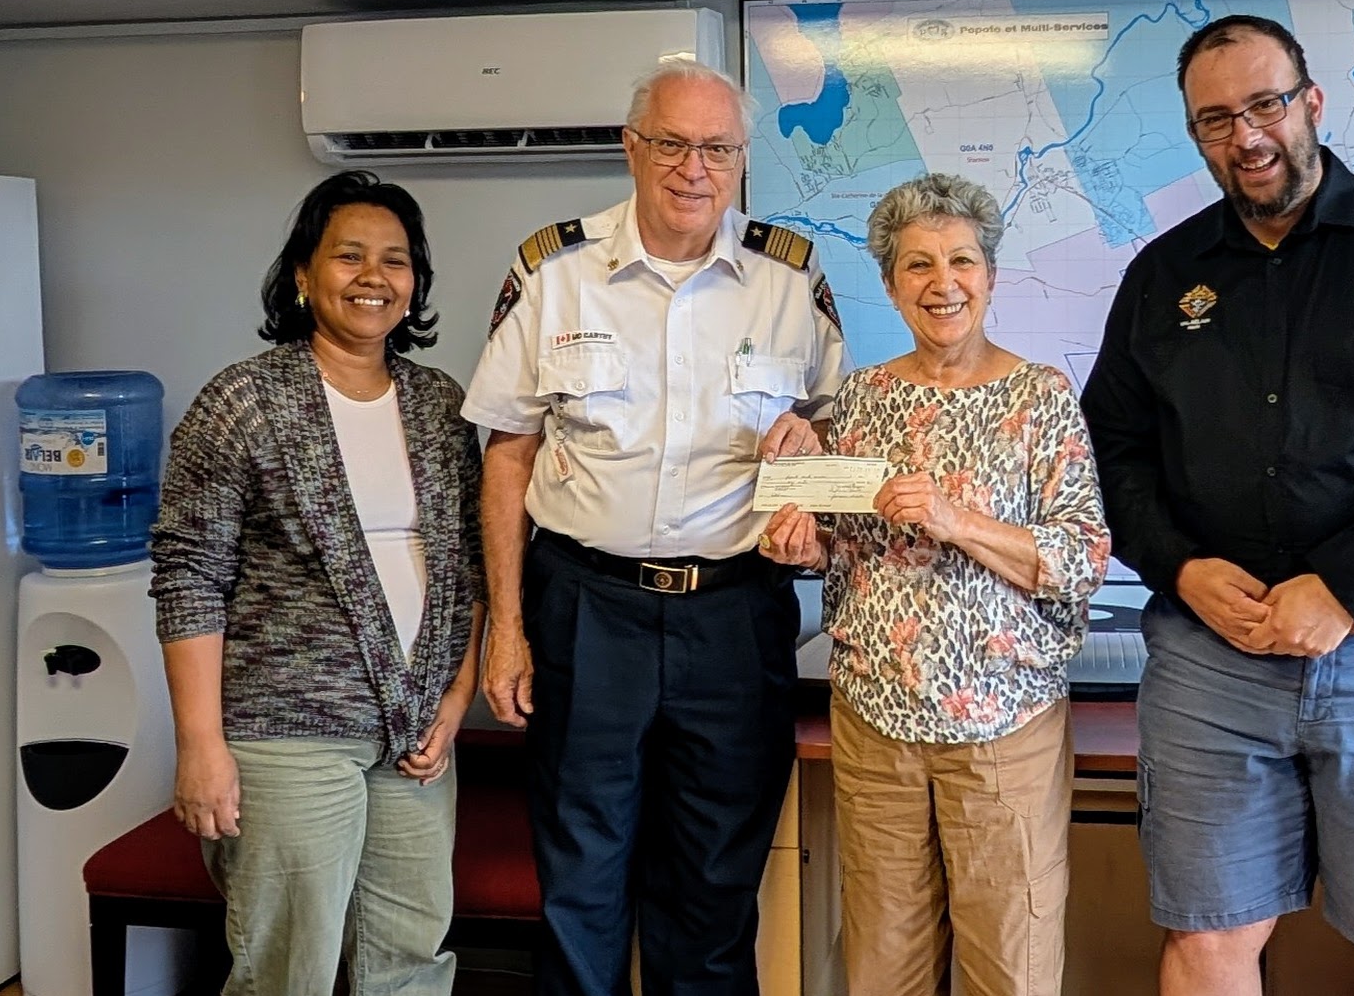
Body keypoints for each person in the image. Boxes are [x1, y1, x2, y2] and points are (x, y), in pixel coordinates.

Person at [1079, 15, 1354, 996]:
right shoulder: (1163, 276)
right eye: (1214, 119)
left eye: (1264, 104)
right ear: (1194, 133)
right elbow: (1114, 447)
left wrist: (1344, 582)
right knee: (1207, 941)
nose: (1244, 135)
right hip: (1214, 664)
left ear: (1311, 104)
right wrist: (1176, 565)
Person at [462, 58, 849, 996]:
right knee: (579, 884)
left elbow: (839, 425)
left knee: (715, 888)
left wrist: (815, 449)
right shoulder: (553, 270)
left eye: (717, 147)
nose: (694, 168)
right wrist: (505, 627)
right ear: (631, 147)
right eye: (671, 143)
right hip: (587, 607)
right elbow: (506, 453)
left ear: (743, 158)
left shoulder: (789, 280)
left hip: (734, 614)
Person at [760, 172, 1110, 995]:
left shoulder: (1041, 398)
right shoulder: (861, 398)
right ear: (889, 284)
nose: (941, 283)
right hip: (874, 723)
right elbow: (834, 542)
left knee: (1008, 964)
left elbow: (1082, 559)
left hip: (1003, 727)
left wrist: (961, 521)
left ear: (990, 275)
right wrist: (797, 538)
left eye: (960, 260)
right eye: (916, 265)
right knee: (884, 963)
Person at [151, 170, 485, 996]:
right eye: (349, 256)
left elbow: (468, 568)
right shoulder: (244, 401)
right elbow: (188, 573)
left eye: (396, 260)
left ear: (416, 283)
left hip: (414, 734)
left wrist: (455, 698)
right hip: (289, 730)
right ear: (302, 274)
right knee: (287, 968)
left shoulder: (441, 405)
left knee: (409, 956)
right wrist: (200, 746)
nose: (374, 276)